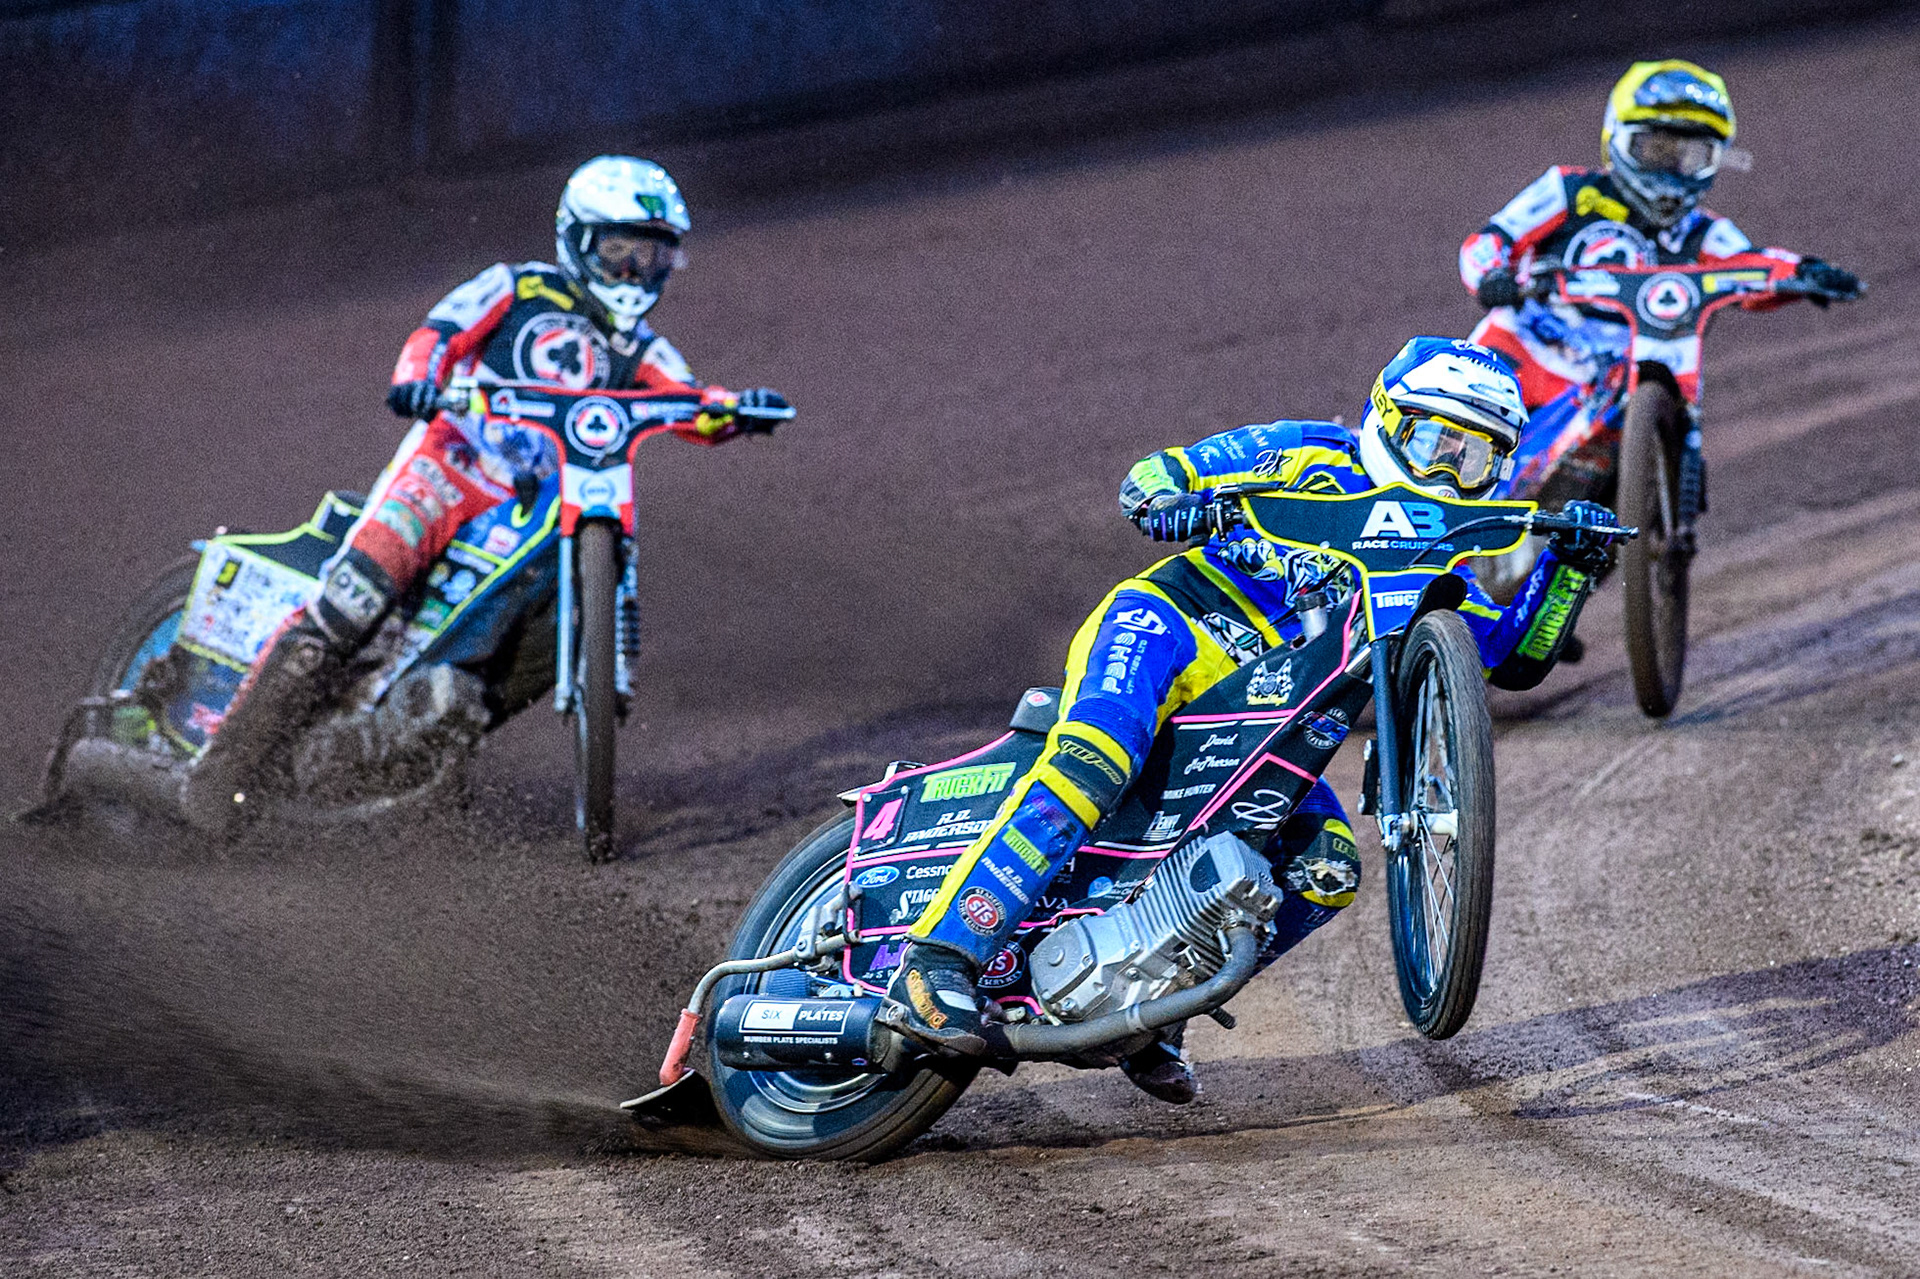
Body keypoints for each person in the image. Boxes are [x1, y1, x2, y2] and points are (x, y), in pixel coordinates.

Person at [881, 337, 1622, 1103]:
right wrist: (1180, 496)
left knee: (1328, 865)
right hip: (1172, 626)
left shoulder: (1446, 556)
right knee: (1097, 756)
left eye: (1473, 459)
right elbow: (1157, 478)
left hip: (1267, 721)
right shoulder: (1309, 453)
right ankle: (937, 959)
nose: (1445, 471)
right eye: (1434, 442)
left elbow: (1512, 658)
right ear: (1387, 418)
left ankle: (1153, 1014)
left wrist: (1572, 570)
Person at [181, 156, 789, 828]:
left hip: (524, 510)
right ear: (580, 240)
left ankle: (414, 740)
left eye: (650, 258)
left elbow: (688, 401)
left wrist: (737, 411)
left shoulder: (639, 346)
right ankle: (220, 767)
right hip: (448, 467)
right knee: (351, 601)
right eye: (619, 253)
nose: (633, 274)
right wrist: (418, 378)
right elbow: (437, 333)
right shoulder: (514, 288)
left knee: (530, 629)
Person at [1459, 58, 1863, 410]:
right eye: (1656, 151)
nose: (1671, 173)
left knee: (1664, 404)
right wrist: (1493, 276)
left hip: (1614, 386)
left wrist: (1805, 273)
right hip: (1521, 352)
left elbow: (1751, 265)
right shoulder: (1570, 191)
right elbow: (1491, 239)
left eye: (1691, 157)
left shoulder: (1700, 231)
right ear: (1617, 138)